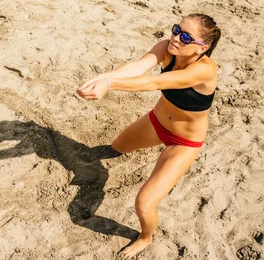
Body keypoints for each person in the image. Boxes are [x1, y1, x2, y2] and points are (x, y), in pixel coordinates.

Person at [76, 14, 221, 258]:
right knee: (118, 146)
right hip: (156, 123)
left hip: (183, 143)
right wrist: (104, 77)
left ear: (202, 47)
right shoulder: (167, 47)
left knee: (144, 204)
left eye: (186, 37)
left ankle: (145, 237)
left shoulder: (204, 70)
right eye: (176, 29)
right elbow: (138, 66)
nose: (176, 38)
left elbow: (156, 82)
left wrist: (110, 86)